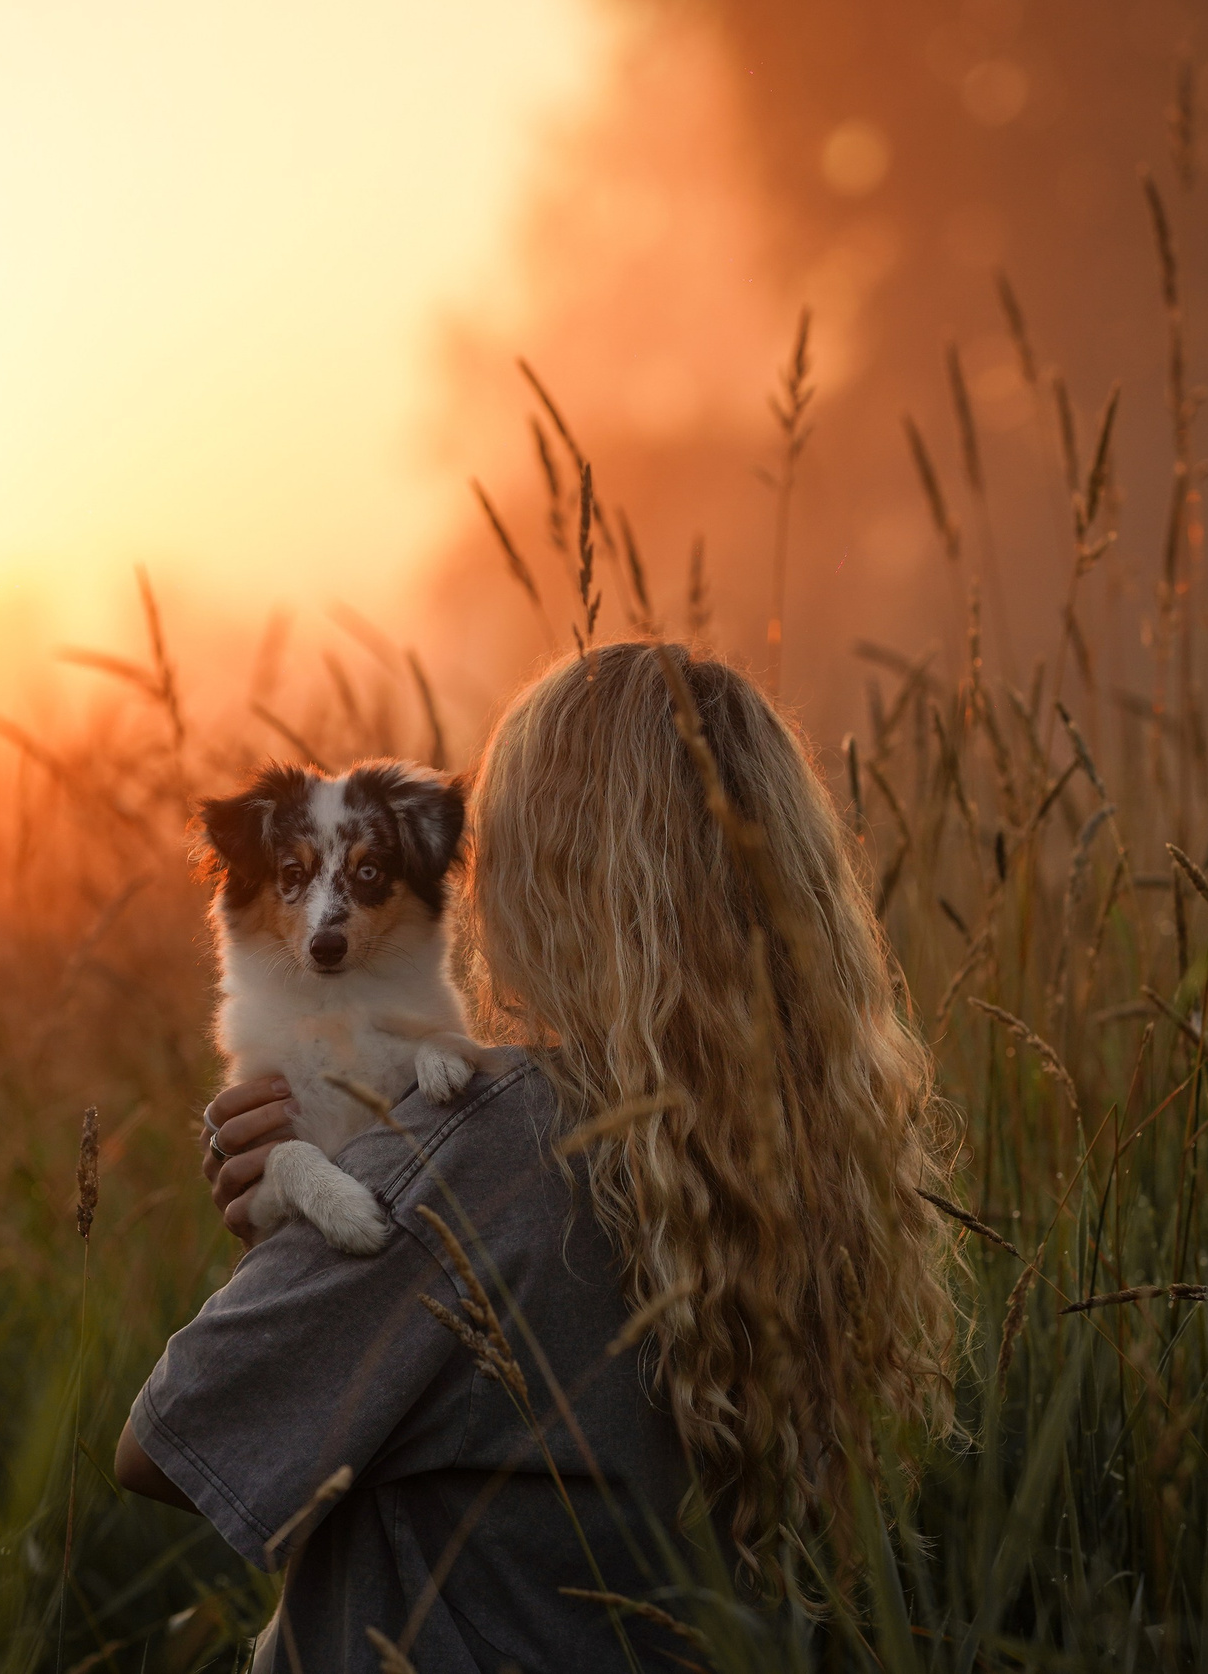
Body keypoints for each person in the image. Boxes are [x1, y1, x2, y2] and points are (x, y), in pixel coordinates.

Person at [113, 641, 957, 1671]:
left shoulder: (482, 1144)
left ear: (545, 873)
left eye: (485, 846)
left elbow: (164, 1444)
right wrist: (311, 1207)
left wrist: (318, 1220)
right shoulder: (809, 1155)